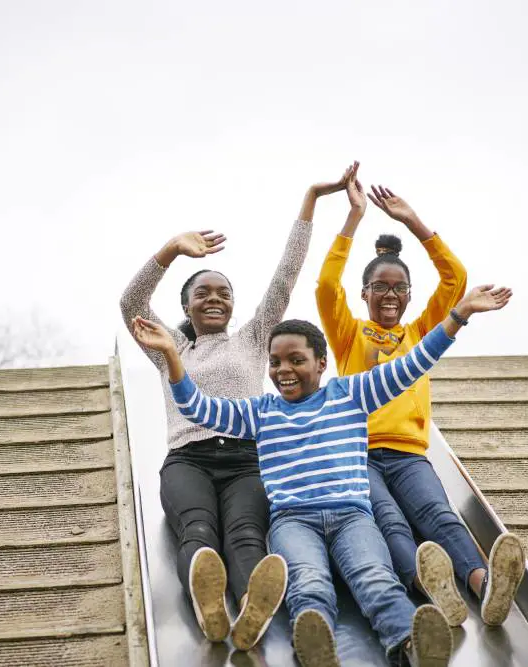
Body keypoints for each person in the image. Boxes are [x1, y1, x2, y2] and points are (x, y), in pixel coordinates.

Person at [130, 281, 512, 667]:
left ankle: (412, 645)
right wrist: (172, 359)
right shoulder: (261, 411)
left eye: (296, 360)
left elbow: (413, 364)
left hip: (352, 517)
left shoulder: (350, 394)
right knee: (308, 585)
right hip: (293, 522)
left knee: (375, 579)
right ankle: (316, 649)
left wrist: (458, 315)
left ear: (321, 364)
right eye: (275, 363)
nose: (284, 370)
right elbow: (200, 409)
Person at [119, 164, 357, 650]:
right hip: (189, 458)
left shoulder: (254, 338)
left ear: (233, 305)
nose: (213, 299)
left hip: (250, 457)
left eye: (223, 294)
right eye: (202, 293)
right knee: (200, 530)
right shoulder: (171, 349)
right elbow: (131, 303)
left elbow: (287, 275)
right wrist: (169, 250)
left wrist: (311, 198)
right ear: (186, 307)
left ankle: (252, 608)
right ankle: (210, 610)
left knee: (247, 535)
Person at [315, 168, 525, 627]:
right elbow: (326, 286)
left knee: (439, 515)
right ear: (365, 293)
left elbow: (456, 279)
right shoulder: (349, 334)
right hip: (358, 453)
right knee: (388, 521)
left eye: (399, 288)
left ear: (409, 295)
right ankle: (431, 590)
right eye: (381, 288)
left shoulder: (419, 333)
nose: (390, 295)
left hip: (409, 454)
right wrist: (353, 218)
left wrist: (416, 223)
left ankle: (483, 587)